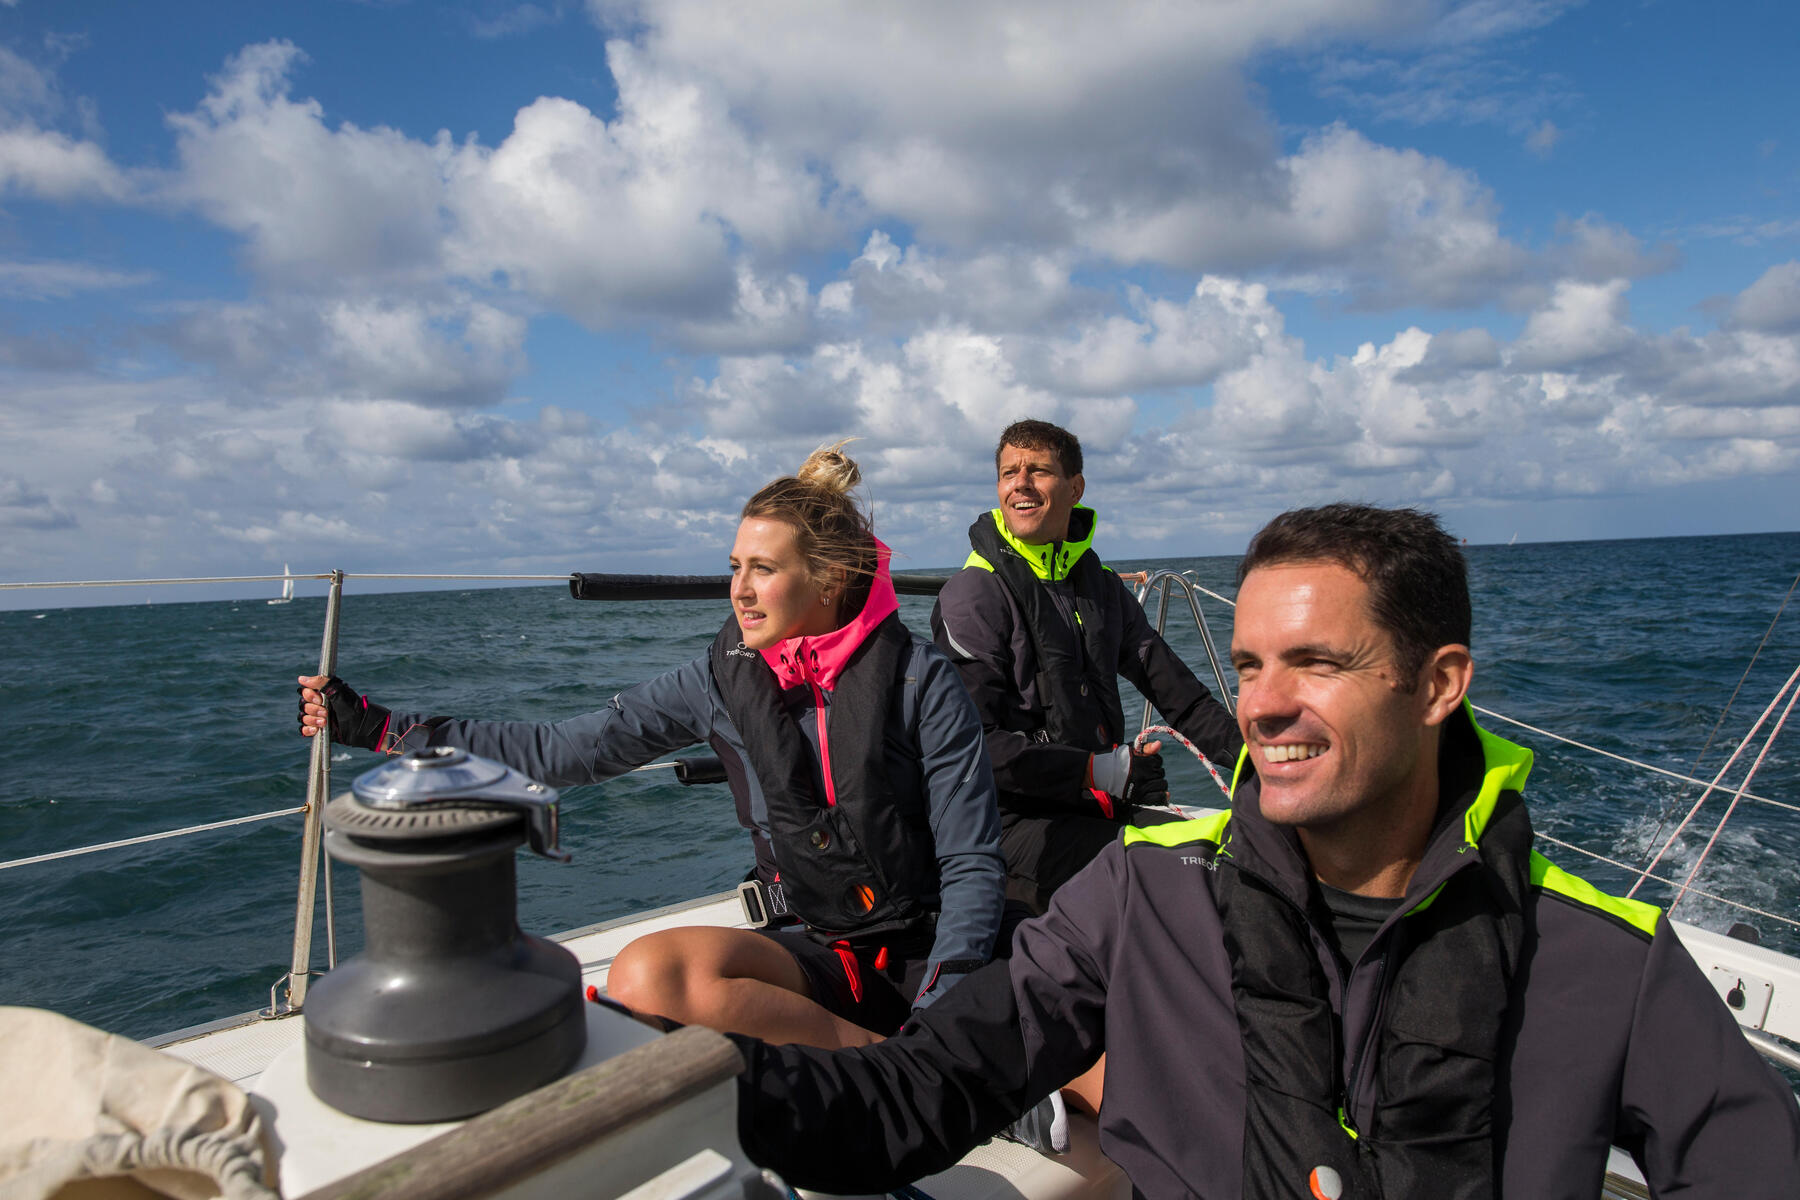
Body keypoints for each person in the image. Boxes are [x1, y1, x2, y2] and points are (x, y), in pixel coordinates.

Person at [730, 503, 1800, 1197]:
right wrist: (727, 1095)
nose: (1263, 706)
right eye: (1246, 666)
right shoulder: (1144, 898)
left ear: (1438, 685)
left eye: (1315, 662)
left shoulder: (1607, 963)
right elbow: (938, 1083)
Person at [297, 445, 1005, 1050]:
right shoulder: (717, 681)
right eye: (736, 566)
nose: (739, 591)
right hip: (814, 951)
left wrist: (945, 1006)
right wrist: (383, 728)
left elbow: (971, 862)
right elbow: (558, 753)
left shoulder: (918, 678)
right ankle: (885, 1060)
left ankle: (927, 1052)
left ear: (830, 578)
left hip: (929, 950)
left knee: (1081, 1048)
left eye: (764, 569)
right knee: (647, 976)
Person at [931, 418, 1242, 913]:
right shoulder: (973, 596)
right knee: (1182, 879)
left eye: (1039, 471)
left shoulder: (1098, 587)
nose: (1021, 484)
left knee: (1236, 855)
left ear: (1075, 487)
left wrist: (1254, 762)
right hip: (1009, 828)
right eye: (1009, 472)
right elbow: (975, 746)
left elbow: (1178, 692)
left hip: (1094, 807)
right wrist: (1103, 770)